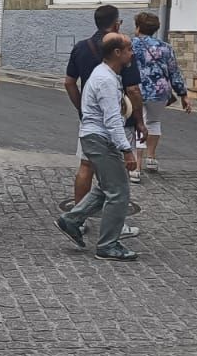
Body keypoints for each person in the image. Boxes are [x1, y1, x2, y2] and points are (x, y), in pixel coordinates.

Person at [55, 33, 140, 261]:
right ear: (117, 53)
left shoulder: (107, 75)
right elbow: (112, 118)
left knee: (105, 188)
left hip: (97, 137)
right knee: (119, 191)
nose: (133, 53)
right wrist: (126, 149)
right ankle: (108, 245)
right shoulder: (105, 79)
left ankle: (71, 219)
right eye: (129, 49)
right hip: (99, 138)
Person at [65, 5, 144, 200]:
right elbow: (133, 90)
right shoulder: (122, 49)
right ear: (117, 24)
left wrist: (82, 109)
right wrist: (140, 120)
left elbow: (69, 83)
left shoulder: (81, 47)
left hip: (90, 121)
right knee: (118, 169)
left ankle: (79, 213)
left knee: (86, 165)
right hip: (119, 119)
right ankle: (116, 215)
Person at [130, 12, 191, 173]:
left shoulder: (130, 44)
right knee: (154, 122)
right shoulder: (165, 47)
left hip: (137, 90)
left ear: (138, 27)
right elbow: (174, 72)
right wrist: (183, 94)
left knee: (139, 124)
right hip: (160, 91)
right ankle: (151, 158)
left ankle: (136, 167)